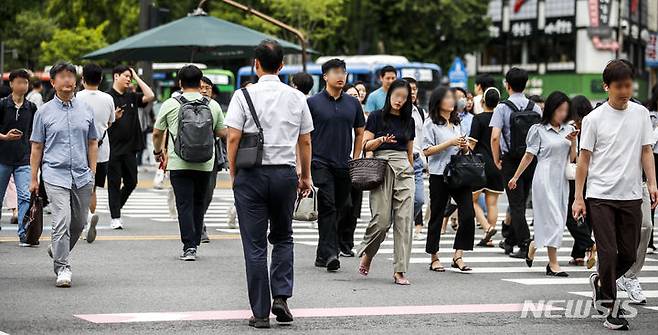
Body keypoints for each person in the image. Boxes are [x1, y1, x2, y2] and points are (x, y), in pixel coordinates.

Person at [225, 40, 313, 328]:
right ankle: (282, 297)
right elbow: (305, 139)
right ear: (283, 65)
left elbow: (233, 137)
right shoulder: (297, 97)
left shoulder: (242, 95)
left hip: (251, 175)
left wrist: (233, 172)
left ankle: (260, 312)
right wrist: (306, 176)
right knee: (283, 236)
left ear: (256, 64)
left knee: (254, 245)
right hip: (285, 174)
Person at [572, 60, 658, 330]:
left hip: (631, 193)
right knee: (608, 253)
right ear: (606, 87)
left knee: (630, 256)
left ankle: (601, 282)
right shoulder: (594, 119)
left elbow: (646, 151)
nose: (625, 91)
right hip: (600, 195)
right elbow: (583, 160)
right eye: (619, 86)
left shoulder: (641, 114)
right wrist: (578, 197)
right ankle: (611, 308)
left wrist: (652, 184)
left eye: (628, 85)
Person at [29, 62, 98, 287]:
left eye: (71, 76)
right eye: (62, 76)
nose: (67, 80)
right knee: (62, 220)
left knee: (79, 223)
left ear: (76, 81)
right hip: (54, 173)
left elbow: (92, 142)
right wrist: (33, 178)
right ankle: (63, 268)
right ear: (53, 81)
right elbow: (37, 147)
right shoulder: (44, 112)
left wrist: (93, 172)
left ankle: (57, 248)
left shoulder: (86, 109)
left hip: (81, 174)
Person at [152, 65, 225, 260]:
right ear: (201, 83)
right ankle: (196, 240)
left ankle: (189, 247)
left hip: (179, 163)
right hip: (205, 163)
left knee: (184, 204)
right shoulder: (213, 105)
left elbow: (157, 132)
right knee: (199, 203)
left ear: (180, 83)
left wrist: (158, 151)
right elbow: (222, 132)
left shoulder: (170, 104)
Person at [508, 91, 578, 276]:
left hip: (561, 179)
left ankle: (533, 244)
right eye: (559, 110)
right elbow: (529, 155)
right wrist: (515, 177)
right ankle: (553, 263)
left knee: (559, 219)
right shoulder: (537, 130)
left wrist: (573, 142)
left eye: (565, 110)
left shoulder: (569, 129)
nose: (563, 113)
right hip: (544, 178)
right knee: (554, 219)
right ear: (551, 110)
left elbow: (573, 159)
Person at [307, 59, 365, 272]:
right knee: (328, 206)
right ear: (325, 76)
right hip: (319, 163)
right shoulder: (313, 103)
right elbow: (303, 136)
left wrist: (355, 156)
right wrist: (304, 166)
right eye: (335, 72)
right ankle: (331, 253)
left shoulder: (353, 104)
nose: (341, 76)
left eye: (343, 72)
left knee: (343, 208)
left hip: (344, 164)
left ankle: (322, 254)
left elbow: (360, 131)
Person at [357, 79, 415, 286]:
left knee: (404, 221)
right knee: (382, 221)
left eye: (404, 97)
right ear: (389, 94)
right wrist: (381, 140)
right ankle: (368, 253)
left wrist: (411, 170)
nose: (400, 100)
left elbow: (409, 152)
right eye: (397, 95)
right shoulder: (375, 117)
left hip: (404, 169)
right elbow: (365, 145)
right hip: (381, 167)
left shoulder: (409, 120)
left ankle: (400, 270)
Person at [490, 67, 543, 261]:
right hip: (531, 159)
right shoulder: (535, 107)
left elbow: (495, 137)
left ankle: (525, 243)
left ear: (507, 84)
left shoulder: (502, 108)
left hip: (511, 160)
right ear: (525, 84)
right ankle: (510, 241)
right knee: (519, 202)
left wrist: (496, 159)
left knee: (516, 204)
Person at [422, 86, 475, 273]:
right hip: (439, 174)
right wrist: (449, 143)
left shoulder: (457, 122)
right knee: (436, 215)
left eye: (453, 98)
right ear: (438, 102)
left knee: (468, 214)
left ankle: (458, 255)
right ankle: (434, 257)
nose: (452, 101)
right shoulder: (431, 124)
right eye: (447, 98)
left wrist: (464, 147)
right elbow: (427, 150)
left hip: (459, 173)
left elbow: (462, 148)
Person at [106, 65, 155, 229]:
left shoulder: (131, 97)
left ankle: (115, 207)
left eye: (130, 77)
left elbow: (150, 95)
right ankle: (115, 217)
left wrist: (137, 76)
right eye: (126, 76)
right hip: (112, 147)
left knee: (132, 182)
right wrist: (114, 117)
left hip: (130, 147)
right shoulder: (107, 97)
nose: (129, 79)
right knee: (114, 183)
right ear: (116, 76)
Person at [76, 63, 118, 243]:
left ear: (82, 79)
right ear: (101, 79)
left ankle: (82, 224)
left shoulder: (77, 97)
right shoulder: (108, 98)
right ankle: (93, 213)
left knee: (78, 190)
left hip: (80, 149)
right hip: (102, 151)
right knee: (92, 188)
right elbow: (110, 122)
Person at [0, 69, 38, 245]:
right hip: (2, 159)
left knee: (24, 196)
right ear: (11, 84)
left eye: (26, 82)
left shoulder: (31, 107)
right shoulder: (2, 105)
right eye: (20, 82)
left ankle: (24, 233)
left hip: (24, 159)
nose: (23, 85)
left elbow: (36, 134)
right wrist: (5, 137)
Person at [468, 87, 504, 247]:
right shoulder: (501, 119)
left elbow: (472, 144)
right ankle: (489, 237)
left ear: (482, 101)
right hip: (497, 164)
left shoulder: (479, 118)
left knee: (470, 199)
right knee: (492, 203)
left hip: (479, 165)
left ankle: (487, 227)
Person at [565, 95, 596, 267]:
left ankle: (588, 245)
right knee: (588, 214)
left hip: (575, 175)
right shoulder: (593, 124)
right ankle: (578, 254)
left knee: (571, 214)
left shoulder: (572, 127)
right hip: (593, 174)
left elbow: (574, 156)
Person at [199, 75, 226, 243]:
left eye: (207, 88)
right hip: (188, 156)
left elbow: (222, 133)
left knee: (208, 193)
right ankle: (198, 226)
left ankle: (198, 220)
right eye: (201, 87)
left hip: (211, 156)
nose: (204, 90)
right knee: (198, 193)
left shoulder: (214, 106)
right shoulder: (180, 103)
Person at [403, 77, 426, 241]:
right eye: (409, 89)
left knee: (418, 200)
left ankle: (404, 222)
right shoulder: (393, 112)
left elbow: (423, 138)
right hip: (400, 160)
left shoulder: (420, 112)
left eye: (415, 89)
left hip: (417, 161)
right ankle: (400, 225)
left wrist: (426, 160)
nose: (412, 92)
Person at [647, 84, 658, 254]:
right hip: (654, 158)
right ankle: (648, 240)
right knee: (652, 201)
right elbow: (647, 144)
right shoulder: (650, 116)